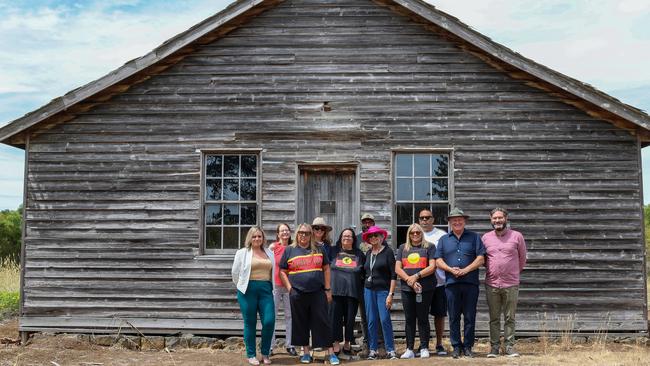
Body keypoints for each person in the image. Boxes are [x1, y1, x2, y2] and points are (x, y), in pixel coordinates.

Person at [278, 223, 340, 365]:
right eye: (301, 233)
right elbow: (282, 271)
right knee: (301, 323)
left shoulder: (319, 249)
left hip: (318, 292)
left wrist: (328, 289)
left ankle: (330, 353)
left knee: (323, 322)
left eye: (306, 233)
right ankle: (306, 353)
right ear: (297, 234)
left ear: (310, 234)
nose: (303, 235)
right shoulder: (290, 250)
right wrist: (289, 288)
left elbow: (326, 268)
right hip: (297, 293)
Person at [434, 208, 485, 359]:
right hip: (451, 283)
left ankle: (468, 346)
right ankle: (456, 346)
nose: (457, 222)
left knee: (470, 316)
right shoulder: (444, 239)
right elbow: (438, 260)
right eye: (454, 220)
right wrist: (450, 269)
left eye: (459, 219)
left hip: (470, 283)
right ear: (449, 222)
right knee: (454, 316)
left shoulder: (474, 237)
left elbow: (481, 258)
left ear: (464, 221)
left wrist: (466, 270)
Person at [482, 208, 527, 358]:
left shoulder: (516, 236)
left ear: (506, 218)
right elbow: (484, 260)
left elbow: (522, 259)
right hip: (492, 283)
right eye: (494, 218)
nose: (497, 221)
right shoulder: (486, 238)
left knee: (510, 317)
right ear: (490, 219)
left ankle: (509, 347)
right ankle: (494, 347)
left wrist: (512, 273)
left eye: (500, 218)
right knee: (494, 318)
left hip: (511, 284)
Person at [231, 227, 276, 365]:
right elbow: (235, 273)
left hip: (266, 290)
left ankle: (265, 353)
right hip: (247, 291)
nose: (257, 239)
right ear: (250, 238)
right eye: (254, 236)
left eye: (259, 236)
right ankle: (251, 354)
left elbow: (272, 272)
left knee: (269, 321)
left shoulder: (269, 252)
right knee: (250, 323)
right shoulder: (242, 253)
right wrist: (242, 286)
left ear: (263, 238)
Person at [395, 223, 437, 359]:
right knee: (409, 319)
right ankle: (409, 349)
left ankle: (424, 347)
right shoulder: (403, 248)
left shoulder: (429, 247)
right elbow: (397, 269)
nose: (415, 235)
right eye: (412, 233)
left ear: (421, 233)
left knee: (423, 318)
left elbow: (432, 267)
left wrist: (416, 276)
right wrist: (409, 280)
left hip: (425, 288)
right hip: (407, 289)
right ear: (409, 234)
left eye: (417, 233)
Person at [362, 226, 398, 360]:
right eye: (370, 236)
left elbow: (394, 275)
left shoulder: (388, 252)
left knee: (384, 320)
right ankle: (373, 350)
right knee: (371, 321)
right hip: (368, 290)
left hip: (383, 291)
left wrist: (391, 294)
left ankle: (390, 350)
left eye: (376, 236)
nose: (373, 238)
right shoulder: (368, 253)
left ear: (381, 237)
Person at [329, 228, 365, 356]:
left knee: (350, 319)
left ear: (353, 239)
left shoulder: (359, 254)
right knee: (335, 319)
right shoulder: (333, 251)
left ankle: (348, 342)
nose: (347, 238)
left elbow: (364, 273)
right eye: (344, 236)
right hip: (335, 291)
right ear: (341, 237)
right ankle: (336, 343)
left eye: (349, 236)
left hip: (352, 292)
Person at [418, 208, 449, 356]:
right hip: (420, 283)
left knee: (439, 314)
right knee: (421, 314)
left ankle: (439, 343)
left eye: (427, 217)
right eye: (422, 218)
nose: (424, 220)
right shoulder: (415, 234)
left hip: (439, 282)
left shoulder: (441, 235)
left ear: (433, 219)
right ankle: (423, 344)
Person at [269, 223, 297, 356]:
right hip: (275, 285)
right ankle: (270, 345)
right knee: (271, 315)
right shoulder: (273, 247)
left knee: (289, 315)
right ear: (278, 234)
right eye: (282, 231)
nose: (285, 232)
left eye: (287, 230)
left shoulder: (293, 247)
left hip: (289, 285)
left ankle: (290, 344)